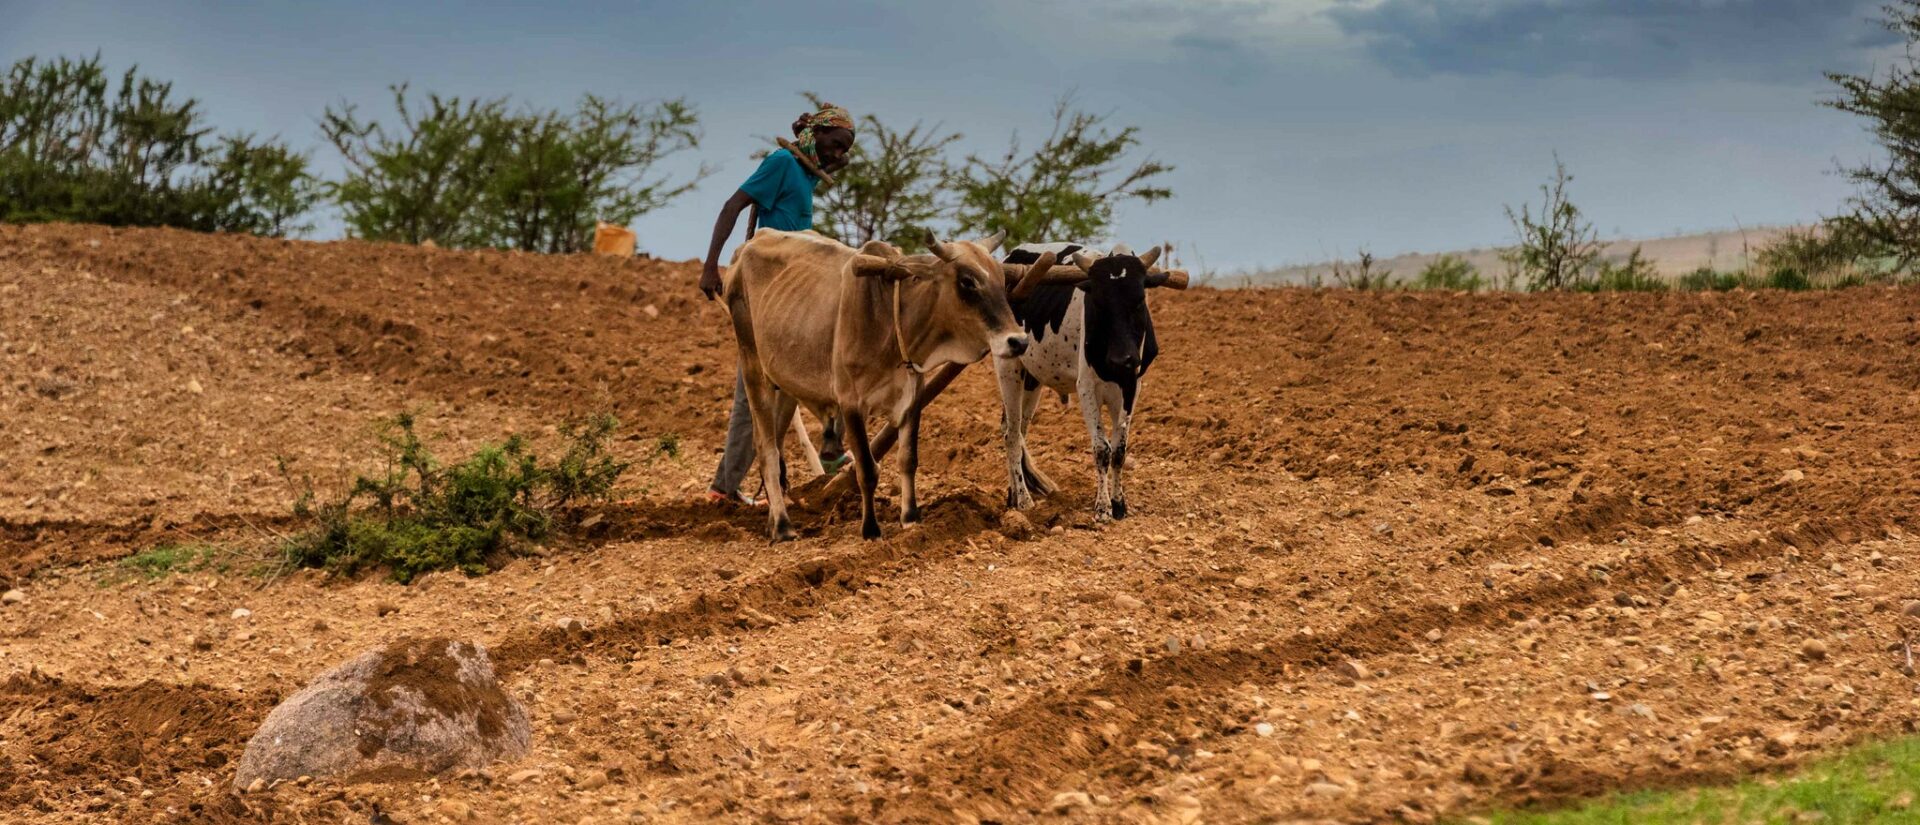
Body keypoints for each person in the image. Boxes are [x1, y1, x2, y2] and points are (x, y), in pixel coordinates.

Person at [700, 103, 856, 505]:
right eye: (836, 145)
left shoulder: (805, 175)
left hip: (792, 293)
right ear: (817, 134)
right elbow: (732, 206)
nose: (839, 155)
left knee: (785, 387)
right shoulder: (783, 163)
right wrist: (711, 267)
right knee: (752, 391)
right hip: (766, 289)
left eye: (845, 151)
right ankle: (727, 487)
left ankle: (769, 483)